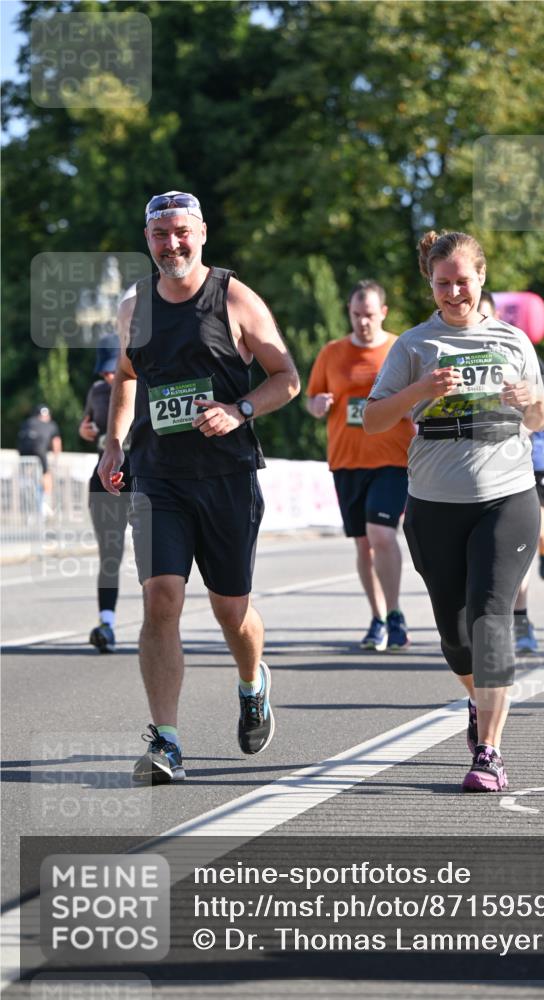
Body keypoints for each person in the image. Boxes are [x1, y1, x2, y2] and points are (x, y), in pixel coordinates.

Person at [98, 190, 300, 784]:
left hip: (227, 477)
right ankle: (167, 741)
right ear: (148, 240)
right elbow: (127, 378)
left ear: (202, 233)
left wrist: (239, 409)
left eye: (181, 232)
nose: (172, 244)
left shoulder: (234, 298)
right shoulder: (135, 307)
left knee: (231, 610)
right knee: (161, 598)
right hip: (159, 475)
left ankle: (252, 681)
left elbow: (286, 378)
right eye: (160, 235)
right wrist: (114, 442)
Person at [364, 229, 544, 792]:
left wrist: (529, 403)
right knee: (455, 634)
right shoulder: (414, 345)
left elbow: (540, 419)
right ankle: (478, 701)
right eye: (442, 283)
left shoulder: (514, 341)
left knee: (491, 619)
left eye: (462, 281)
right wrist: (418, 389)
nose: (453, 293)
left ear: (481, 278)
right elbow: (371, 421)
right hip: (435, 506)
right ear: (431, 283)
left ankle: (489, 752)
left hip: (508, 499)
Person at [306, 280, 414, 651]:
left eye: (369, 315)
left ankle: (396, 613)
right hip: (347, 461)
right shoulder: (332, 352)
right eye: (356, 315)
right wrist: (318, 405)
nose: (362, 322)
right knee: (364, 545)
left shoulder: (401, 349)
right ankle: (378, 617)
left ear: (383, 312)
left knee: (382, 533)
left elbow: (420, 398)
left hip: (392, 458)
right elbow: (312, 399)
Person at [478, 291, 544, 654]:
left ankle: (521, 619)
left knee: (520, 540)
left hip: (528, 458)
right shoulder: (451, 354)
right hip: (479, 465)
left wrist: (529, 421)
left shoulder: (517, 347)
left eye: (484, 316)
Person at [79, 339, 131, 654]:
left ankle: (160, 627)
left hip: (145, 478)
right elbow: (88, 424)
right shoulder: (97, 392)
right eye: (105, 370)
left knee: (155, 559)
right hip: (105, 479)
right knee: (110, 556)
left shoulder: (145, 385)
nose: (111, 377)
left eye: (115, 369)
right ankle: (106, 624)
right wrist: (83, 431)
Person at [16, 404, 62, 517]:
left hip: (24, 451)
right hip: (39, 450)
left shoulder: (28, 422)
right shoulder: (51, 425)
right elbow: (56, 442)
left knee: (27, 477)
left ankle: (27, 499)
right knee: (46, 474)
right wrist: (56, 459)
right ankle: (44, 502)